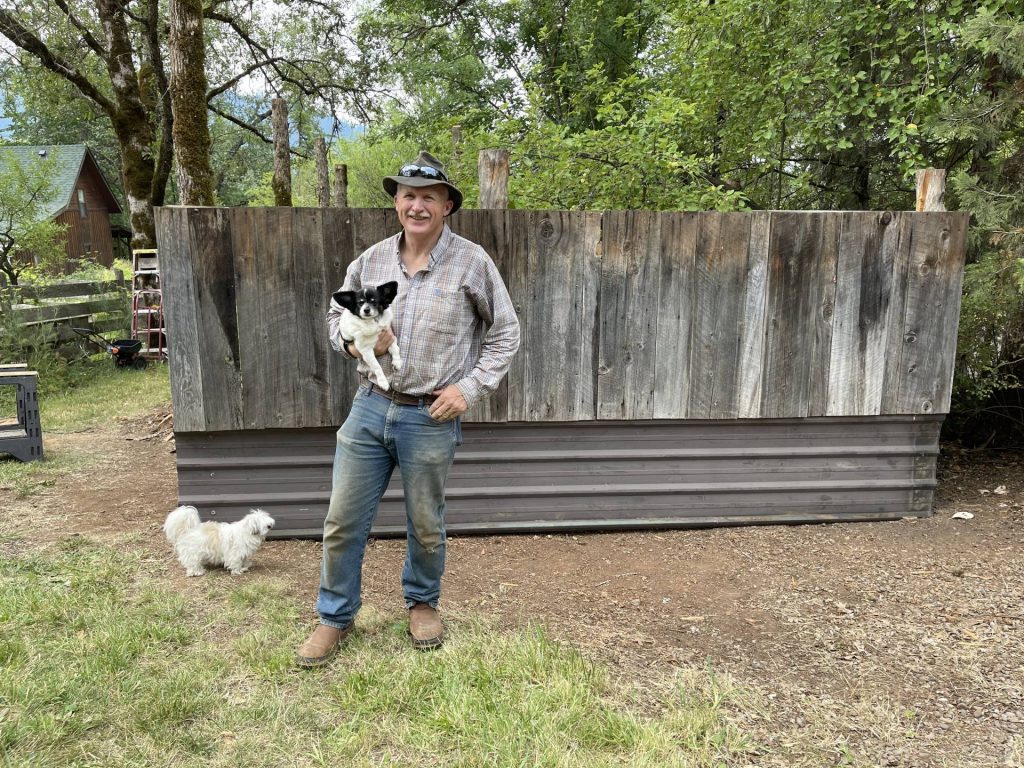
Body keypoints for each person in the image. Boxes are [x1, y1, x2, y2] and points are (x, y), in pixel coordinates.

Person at [296, 151, 520, 666]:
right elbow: (336, 318)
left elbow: (506, 332)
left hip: (431, 416)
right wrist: (354, 347)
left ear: (447, 206)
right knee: (342, 518)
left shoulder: (472, 262)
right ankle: (335, 616)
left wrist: (469, 389)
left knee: (425, 521)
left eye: (429, 198)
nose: (417, 206)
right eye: (408, 196)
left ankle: (422, 604)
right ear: (397, 202)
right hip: (370, 406)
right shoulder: (369, 262)